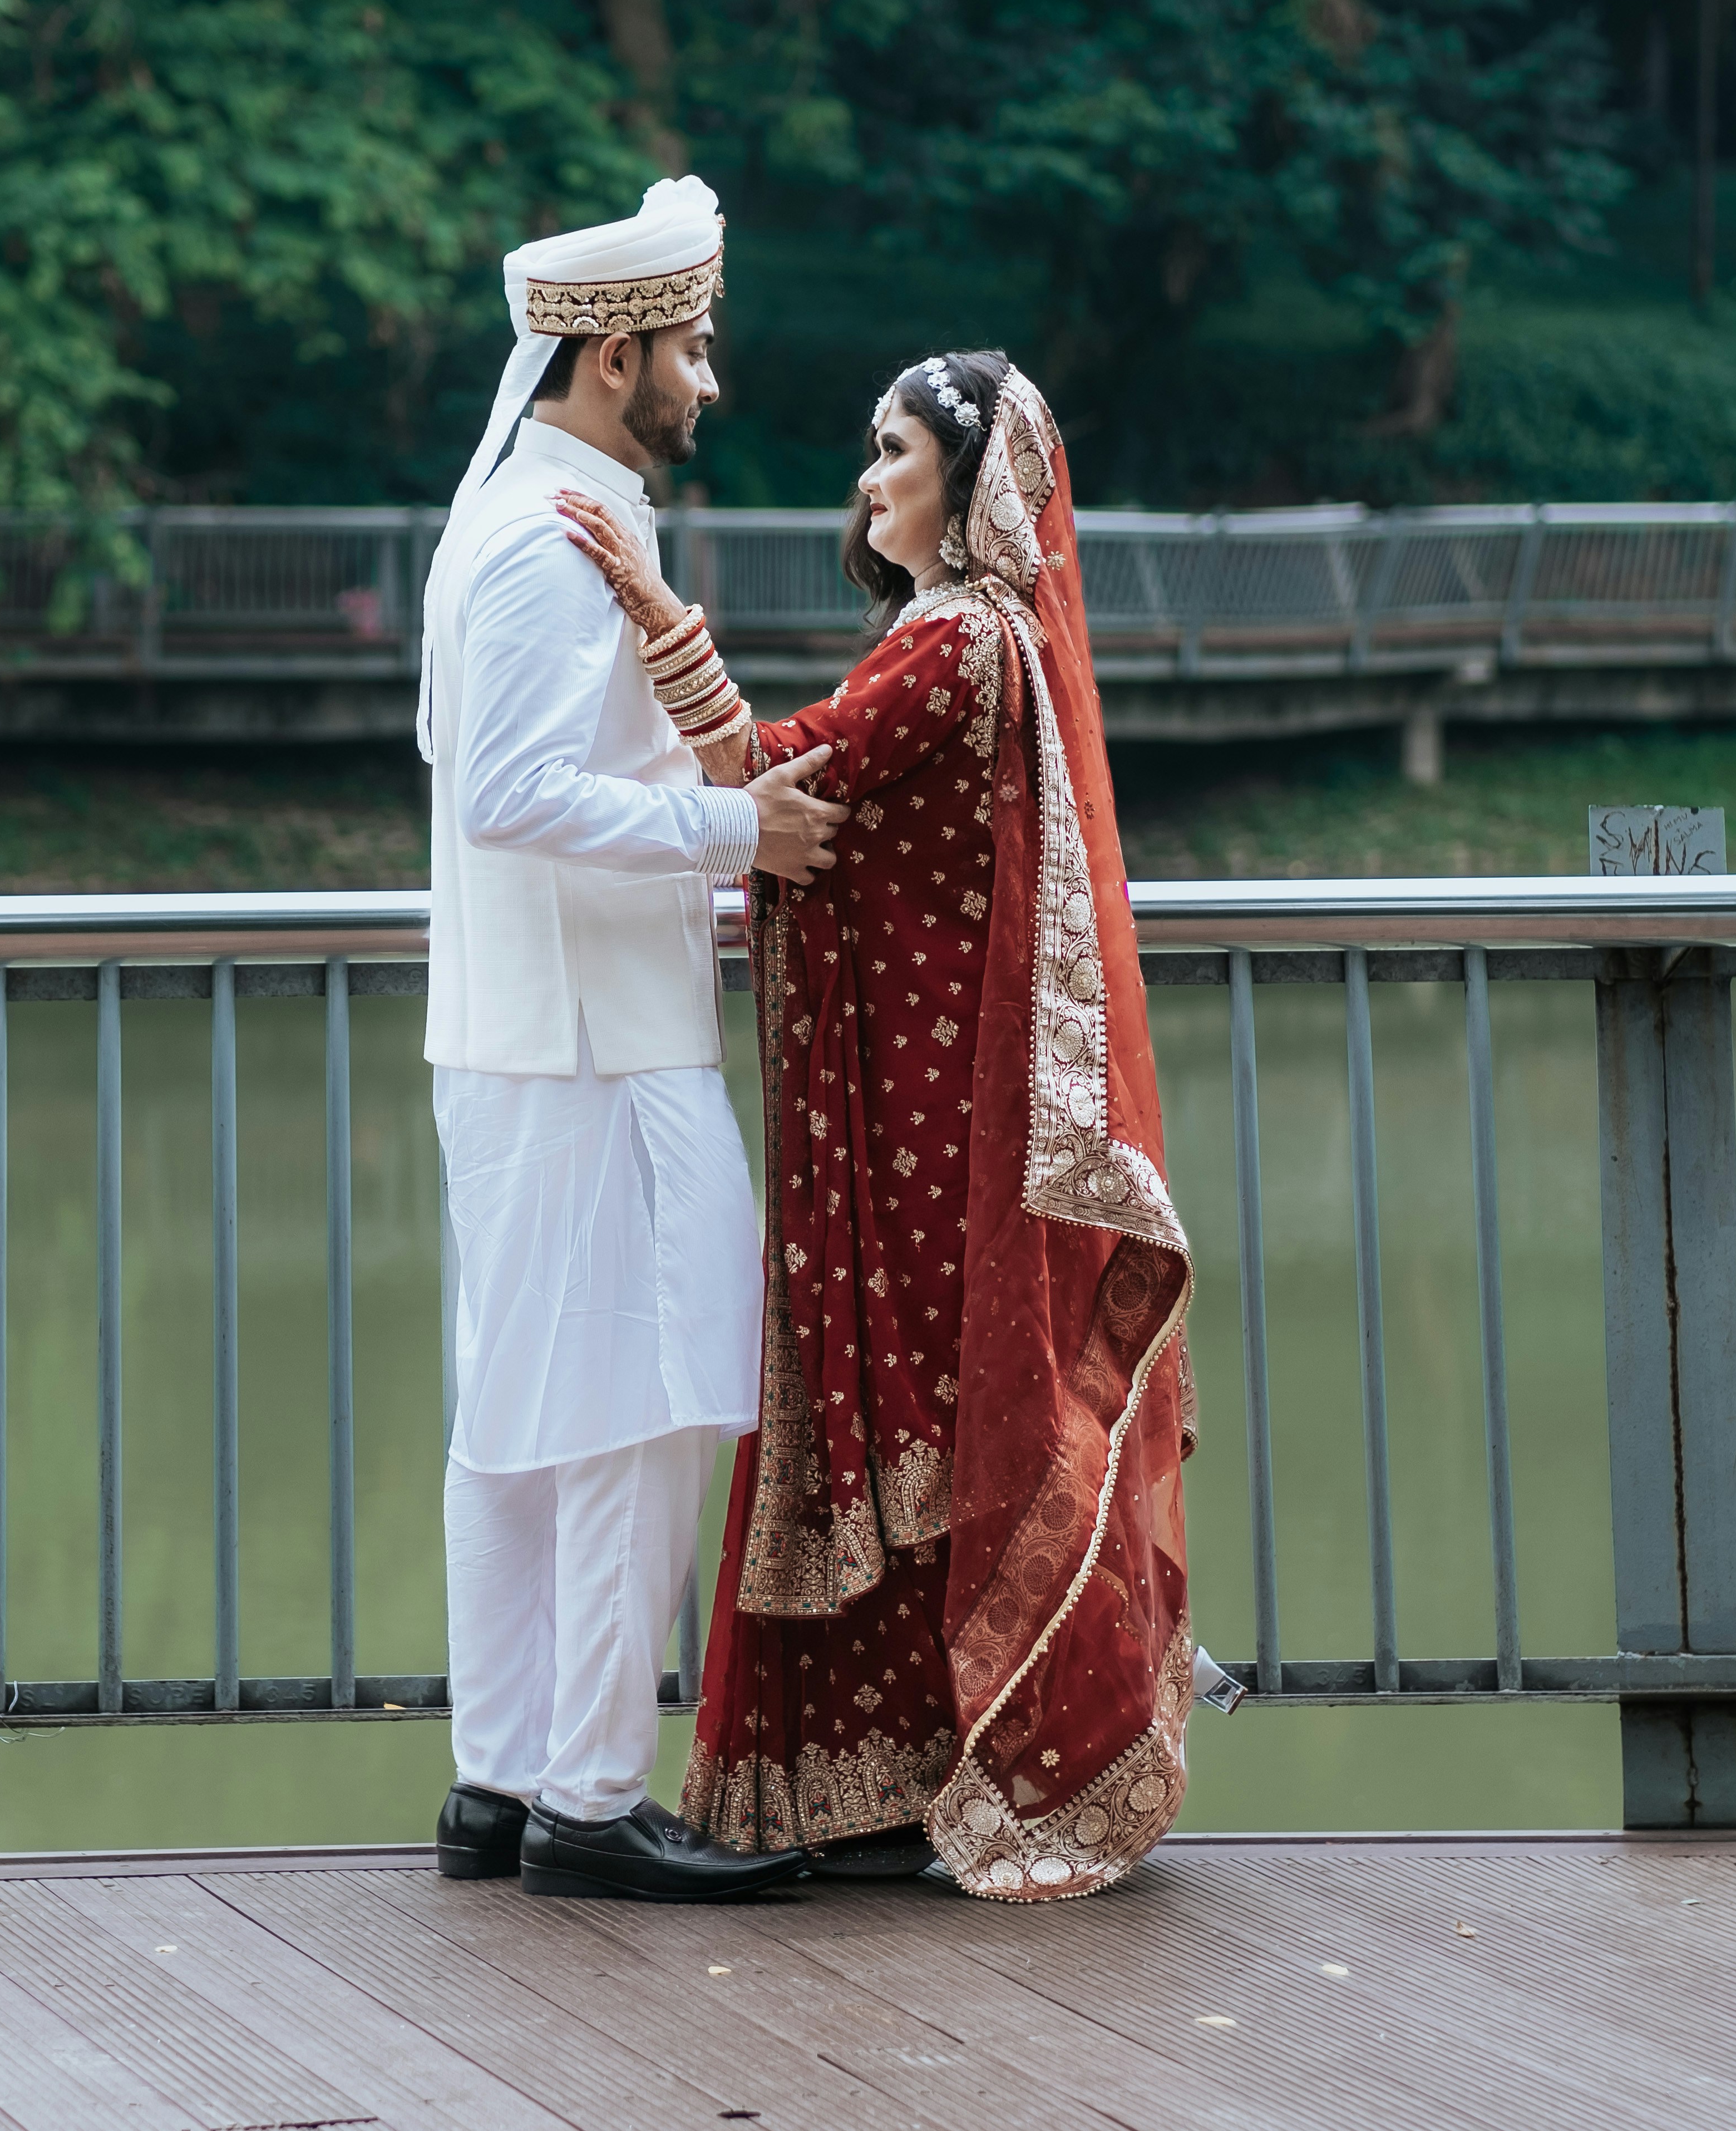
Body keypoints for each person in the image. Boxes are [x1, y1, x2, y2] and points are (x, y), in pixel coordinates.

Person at [556, 351, 1219, 1903]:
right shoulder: (970, 639)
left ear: (969, 483)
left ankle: (927, 1769)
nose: (870, 480)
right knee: (922, 1423)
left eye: (895, 451)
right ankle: (923, 1766)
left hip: (925, 1131)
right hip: (921, 1115)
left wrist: (664, 630)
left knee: (910, 1416)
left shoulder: (957, 647)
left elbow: (772, 784)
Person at [420, 176, 844, 1903]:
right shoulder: (546, 537)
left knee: (528, 1412)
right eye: (691, 347)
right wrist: (741, 842)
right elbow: (514, 793)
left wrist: (705, 832)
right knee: (644, 1399)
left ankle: (501, 1786)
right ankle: (589, 1798)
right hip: (595, 1047)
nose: (707, 382)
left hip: (559, 1031)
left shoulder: (536, 515)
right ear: (610, 360)